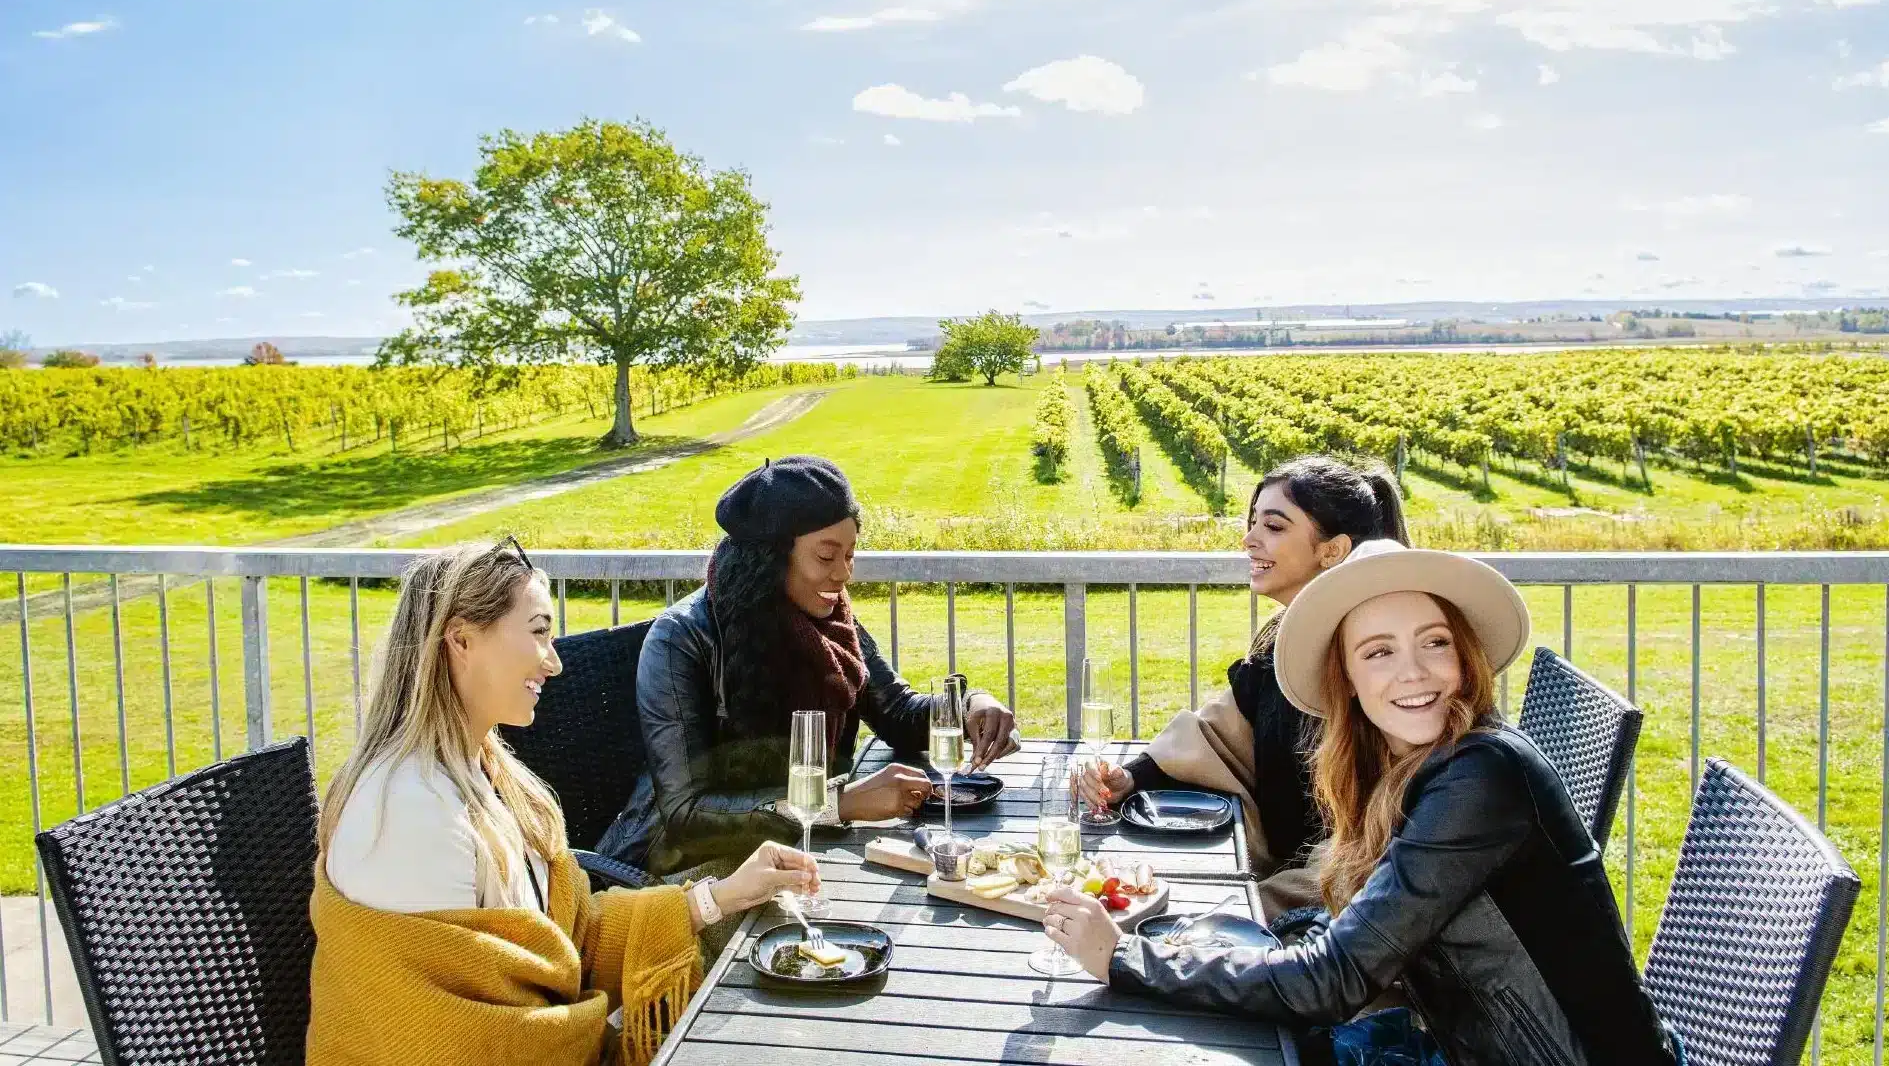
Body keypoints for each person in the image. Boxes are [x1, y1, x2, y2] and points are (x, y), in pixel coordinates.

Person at [1043, 539, 1684, 1065]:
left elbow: (1334, 980)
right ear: (1346, 678)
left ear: (1465, 654)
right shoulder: (1409, 763)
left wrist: (1125, 957)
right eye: (1379, 652)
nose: (1412, 672)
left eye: (1435, 642)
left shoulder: (1480, 777)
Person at [307, 539, 821, 1066]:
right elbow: (462, 1042)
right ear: (461, 639)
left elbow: (569, 935)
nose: (554, 663)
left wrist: (723, 895)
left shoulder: (485, 774)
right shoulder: (406, 814)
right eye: (538, 633)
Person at [601, 455, 1021, 877]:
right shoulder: (682, 638)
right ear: (771, 557)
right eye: (826, 557)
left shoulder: (832, 622)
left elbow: (895, 711)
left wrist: (969, 705)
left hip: (796, 849)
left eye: (850, 555)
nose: (844, 575)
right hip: (678, 873)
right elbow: (687, 817)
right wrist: (836, 802)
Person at [1078, 456, 1407, 918]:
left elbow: (1365, 839)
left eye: (1273, 526)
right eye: (1253, 523)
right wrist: (1133, 777)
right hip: (1285, 883)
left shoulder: (1368, 666)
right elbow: (1219, 733)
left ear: (1331, 550)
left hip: (1329, 907)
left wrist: (1245, 909)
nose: (1249, 540)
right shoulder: (1283, 640)